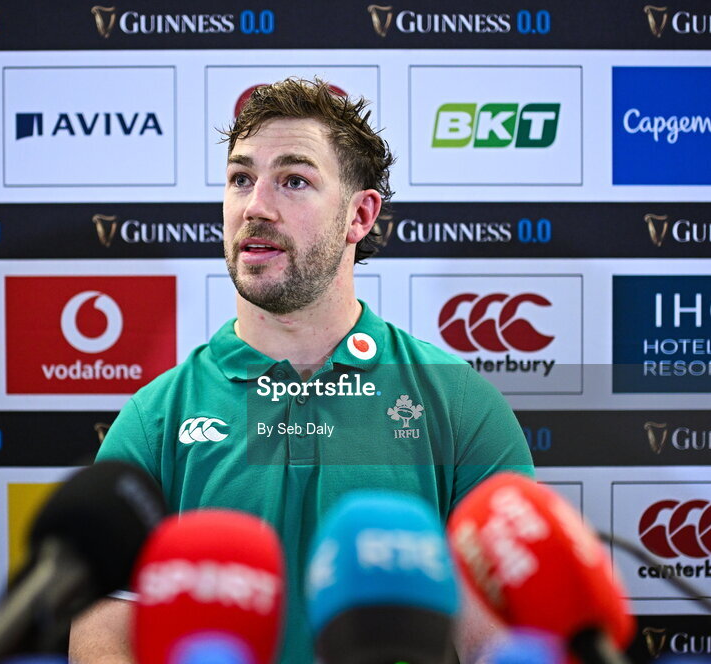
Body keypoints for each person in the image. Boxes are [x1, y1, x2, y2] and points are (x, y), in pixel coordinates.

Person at [69, 78, 534, 664]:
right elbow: (103, 629)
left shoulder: (460, 404)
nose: (255, 206)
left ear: (359, 215)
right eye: (241, 178)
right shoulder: (155, 417)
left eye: (294, 180)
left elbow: (501, 638)